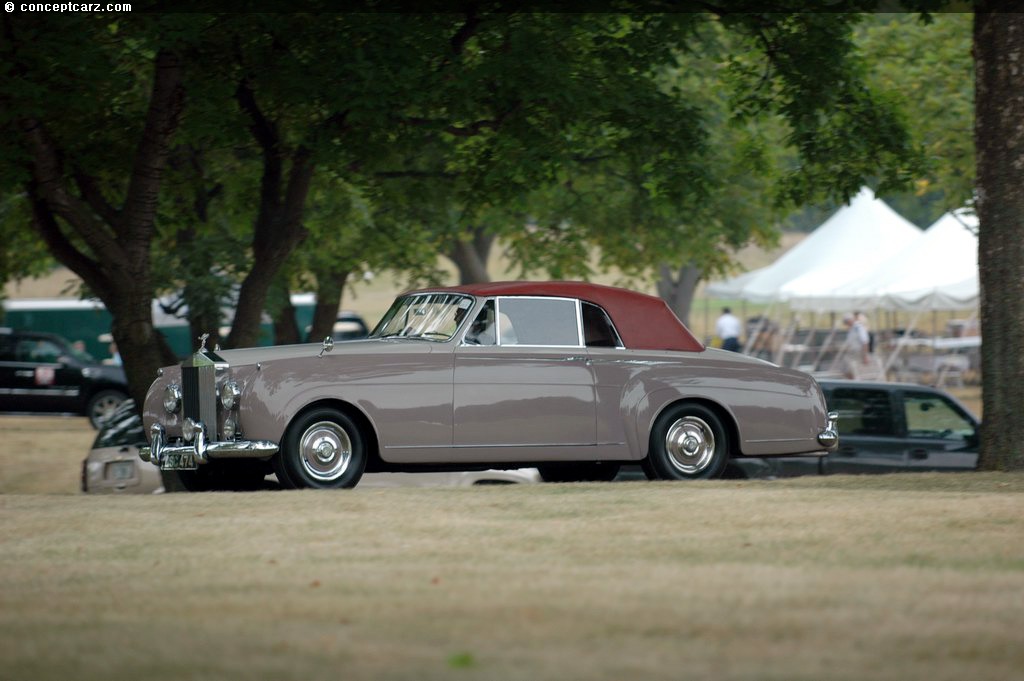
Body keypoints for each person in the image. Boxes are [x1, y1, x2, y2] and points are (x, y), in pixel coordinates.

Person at [843, 313, 870, 378]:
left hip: (858, 352)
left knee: (852, 369)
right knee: (847, 368)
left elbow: (865, 341)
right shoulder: (852, 329)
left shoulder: (859, 328)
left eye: (847, 322)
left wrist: (865, 356)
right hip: (852, 352)